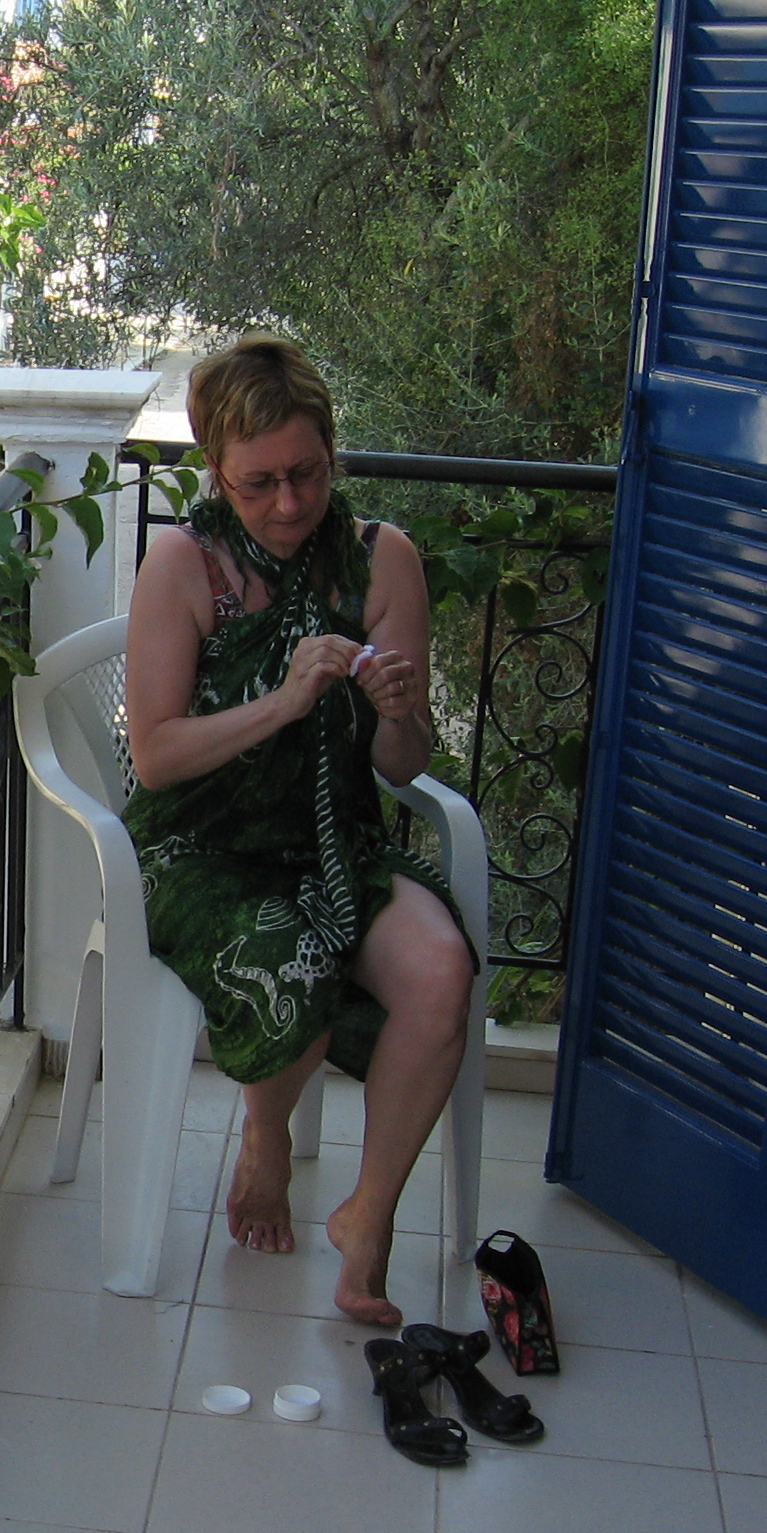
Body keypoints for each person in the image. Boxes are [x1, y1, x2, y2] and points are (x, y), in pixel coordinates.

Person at [120, 335, 475, 1328]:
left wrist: (398, 712)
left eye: (308, 474)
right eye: (259, 483)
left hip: (332, 837)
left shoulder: (381, 561)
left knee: (441, 971)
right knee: (291, 956)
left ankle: (368, 1216)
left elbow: (400, 764)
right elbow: (156, 756)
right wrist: (282, 703)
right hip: (202, 845)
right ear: (214, 470)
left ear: (332, 453)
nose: (288, 503)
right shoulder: (183, 566)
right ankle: (266, 1138)